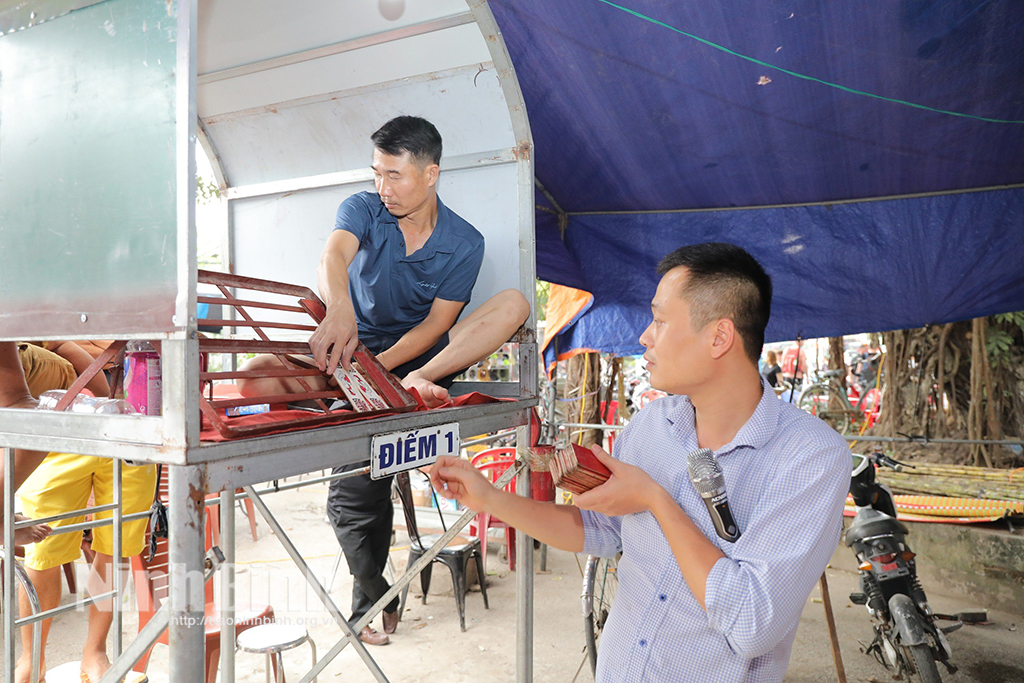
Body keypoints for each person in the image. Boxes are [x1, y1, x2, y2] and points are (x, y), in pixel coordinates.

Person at [431, 243, 851, 682]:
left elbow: (751, 622)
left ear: (719, 337)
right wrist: (490, 498)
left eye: (661, 320)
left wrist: (656, 500)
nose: (645, 336)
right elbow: (600, 530)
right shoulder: (653, 423)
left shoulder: (811, 458)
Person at [238, 115, 529, 645]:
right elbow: (334, 254)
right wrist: (341, 313)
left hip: (422, 362)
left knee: (513, 303)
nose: (383, 188)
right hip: (350, 351)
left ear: (431, 173)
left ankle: (389, 391)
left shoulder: (465, 241)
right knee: (256, 379)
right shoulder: (363, 208)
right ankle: (371, 588)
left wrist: (394, 371)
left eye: (395, 175)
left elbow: (438, 324)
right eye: (377, 173)